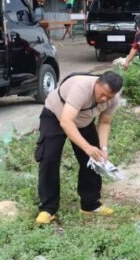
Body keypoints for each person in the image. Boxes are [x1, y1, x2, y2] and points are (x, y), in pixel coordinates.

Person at [35, 72, 124, 224]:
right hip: (56, 116)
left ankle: (90, 204)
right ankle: (48, 209)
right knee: (49, 158)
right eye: (102, 94)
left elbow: (105, 123)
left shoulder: (113, 98)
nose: (105, 99)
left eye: (109, 97)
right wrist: (87, 147)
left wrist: (103, 149)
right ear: (97, 83)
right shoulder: (81, 88)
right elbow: (66, 121)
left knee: (93, 160)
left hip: (83, 121)